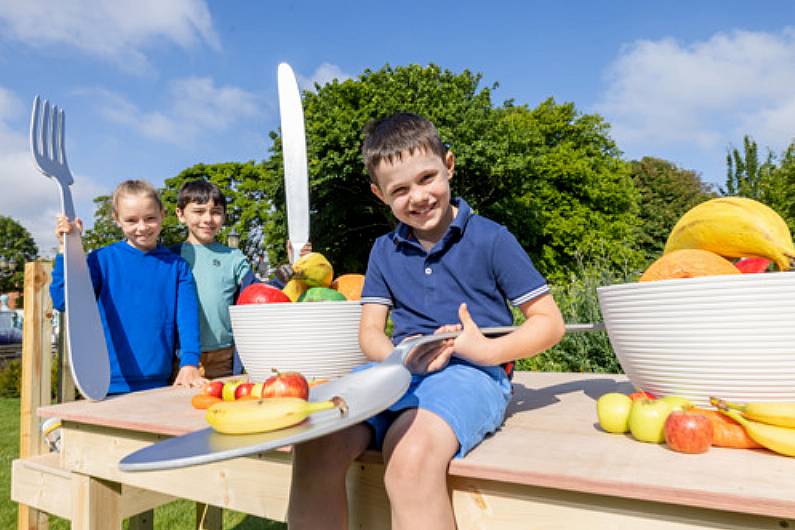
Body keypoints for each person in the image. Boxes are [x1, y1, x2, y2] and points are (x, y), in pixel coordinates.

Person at [287, 112, 566, 530]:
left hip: (472, 373)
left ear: (449, 165)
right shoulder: (383, 250)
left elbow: (549, 322)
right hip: (398, 371)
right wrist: (402, 359)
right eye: (400, 189)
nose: (417, 197)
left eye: (426, 178)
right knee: (314, 440)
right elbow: (369, 332)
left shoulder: (492, 238)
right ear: (380, 195)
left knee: (410, 457)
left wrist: (487, 350)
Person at [50, 179, 205, 393]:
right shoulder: (100, 261)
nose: (142, 227)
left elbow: (187, 319)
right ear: (117, 219)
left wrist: (189, 363)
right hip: (103, 384)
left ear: (163, 214)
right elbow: (63, 301)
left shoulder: (178, 267)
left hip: (159, 384)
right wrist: (65, 249)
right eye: (131, 220)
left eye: (150, 218)